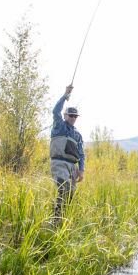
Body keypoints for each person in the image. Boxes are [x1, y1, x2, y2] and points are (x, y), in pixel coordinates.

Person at [50, 85, 85, 220]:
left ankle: (64, 220)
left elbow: (81, 154)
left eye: (75, 116)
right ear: (65, 116)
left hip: (72, 167)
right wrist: (65, 95)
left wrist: (81, 170)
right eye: (70, 115)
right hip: (59, 163)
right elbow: (55, 111)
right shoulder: (59, 125)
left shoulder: (77, 135)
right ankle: (56, 220)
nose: (73, 118)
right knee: (63, 190)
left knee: (70, 195)